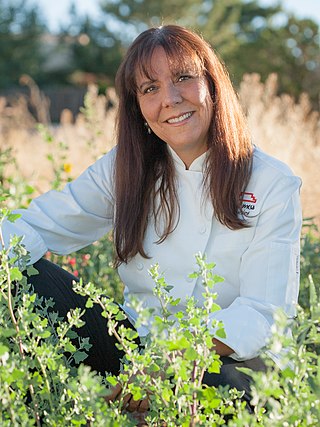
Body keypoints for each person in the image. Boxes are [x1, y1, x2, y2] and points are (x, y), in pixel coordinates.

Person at [2, 25, 302, 412]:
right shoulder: (124, 169)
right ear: (137, 107)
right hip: (135, 352)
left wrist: (167, 366)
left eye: (183, 78)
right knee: (22, 275)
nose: (171, 99)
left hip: (229, 361)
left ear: (212, 84)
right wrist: (142, 366)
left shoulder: (271, 181)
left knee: (227, 384)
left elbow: (263, 312)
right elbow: (36, 225)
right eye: (150, 88)